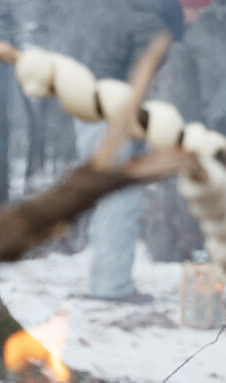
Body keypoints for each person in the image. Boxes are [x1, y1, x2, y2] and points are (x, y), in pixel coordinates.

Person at [74, 0, 188, 301]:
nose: (197, 18)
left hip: (94, 110)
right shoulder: (150, 25)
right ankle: (112, 288)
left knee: (110, 202)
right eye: (197, 9)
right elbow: (137, 85)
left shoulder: (137, 12)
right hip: (109, 118)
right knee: (120, 201)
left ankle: (105, 283)